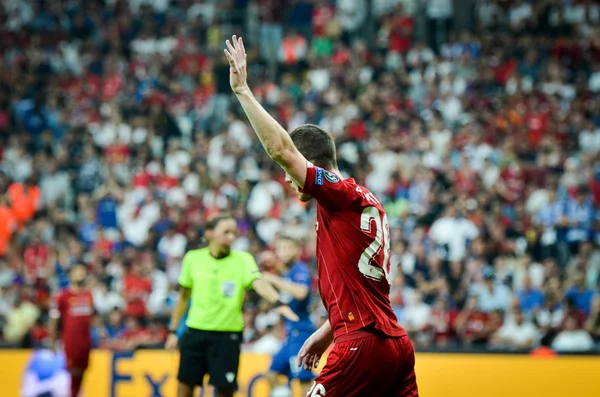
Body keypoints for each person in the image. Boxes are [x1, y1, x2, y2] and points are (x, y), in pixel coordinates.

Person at [225, 35, 418, 396]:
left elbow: (280, 148)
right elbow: (364, 290)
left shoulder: (338, 194)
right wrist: (325, 332)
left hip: (360, 345)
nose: (286, 178)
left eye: (291, 171)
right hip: (394, 344)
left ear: (311, 164)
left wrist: (242, 91)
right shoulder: (366, 201)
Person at [165, 213, 299, 397]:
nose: (231, 237)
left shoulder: (243, 259)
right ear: (210, 233)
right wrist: (173, 331)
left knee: (225, 391)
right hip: (195, 332)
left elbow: (258, 282)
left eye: (234, 233)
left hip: (228, 335)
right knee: (185, 389)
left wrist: (277, 301)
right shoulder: (193, 259)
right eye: (226, 232)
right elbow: (182, 298)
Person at [261, 236, 316, 397]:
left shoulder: (300, 269)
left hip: (302, 333)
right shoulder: (288, 272)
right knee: (271, 375)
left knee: (305, 383)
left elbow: (301, 292)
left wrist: (272, 278)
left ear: (296, 250)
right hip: (290, 336)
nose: (284, 252)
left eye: (288, 248)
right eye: (280, 249)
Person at [49, 264, 94, 397]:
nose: (81, 274)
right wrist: (53, 339)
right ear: (71, 275)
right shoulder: (63, 296)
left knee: (82, 371)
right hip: (71, 340)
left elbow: (91, 318)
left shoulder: (88, 295)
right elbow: (55, 320)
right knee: (72, 371)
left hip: (85, 341)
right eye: (77, 271)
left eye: (82, 271)